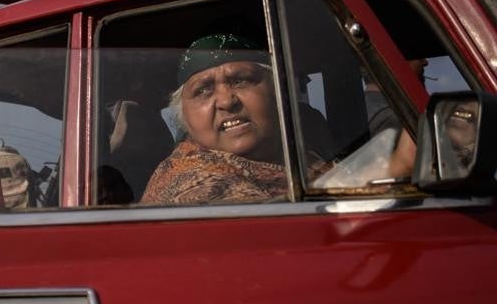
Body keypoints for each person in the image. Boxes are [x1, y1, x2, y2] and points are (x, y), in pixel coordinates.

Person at [140, 32, 414, 205]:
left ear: (278, 94)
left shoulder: (290, 155)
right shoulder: (194, 184)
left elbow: (339, 188)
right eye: (203, 90)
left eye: (241, 81)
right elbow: (299, 243)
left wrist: (400, 164)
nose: (226, 101)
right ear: (184, 117)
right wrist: (400, 165)